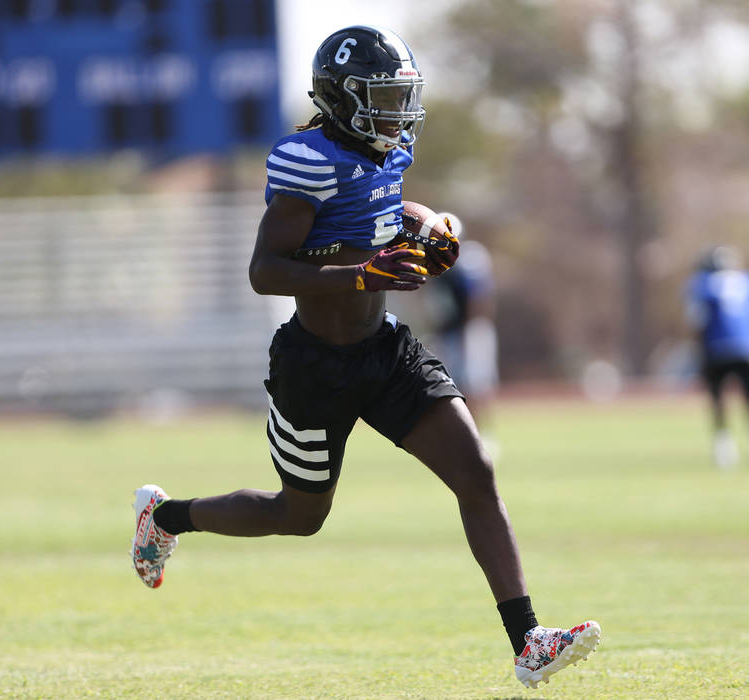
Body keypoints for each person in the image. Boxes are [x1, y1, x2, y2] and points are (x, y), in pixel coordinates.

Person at [130, 25, 599, 688]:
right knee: (298, 516)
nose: (398, 110)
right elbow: (266, 270)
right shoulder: (307, 160)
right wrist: (361, 275)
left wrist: (429, 220)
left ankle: (528, 640)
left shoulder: (390, 146)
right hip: (313, 364)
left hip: (384, 351)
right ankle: (166, 517)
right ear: (342, 97)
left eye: (402, 95)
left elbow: (384, 205)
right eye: (384, 96)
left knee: (475, 474)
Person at [685, 245, 749, 468]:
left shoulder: (702, 285)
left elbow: (697, 321)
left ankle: (724, 447)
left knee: (718, 402)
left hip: (716, 348)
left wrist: (698, 349)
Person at [428, 214, 500, 454]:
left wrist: (469, 330)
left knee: (474, 384)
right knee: (448, 385)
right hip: (447, 332)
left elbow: (477, 300)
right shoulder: (432, 261)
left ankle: (481, 436)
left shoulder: (469, 260)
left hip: (469, 330)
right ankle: (458, 436)